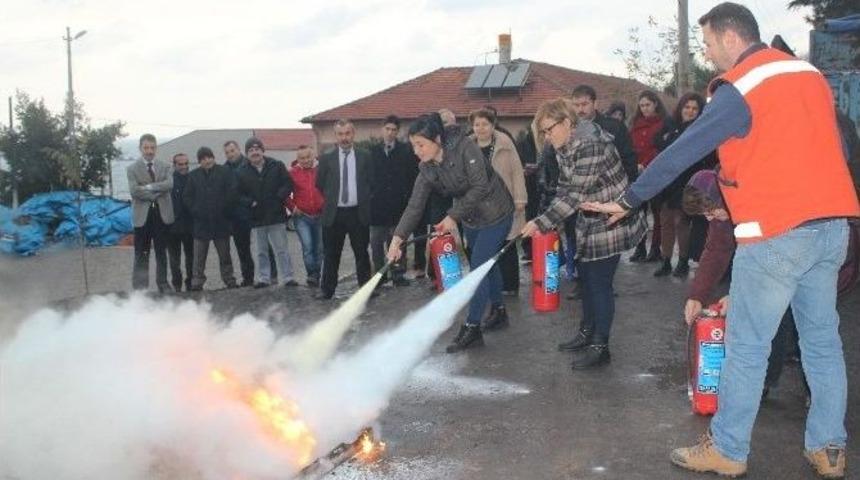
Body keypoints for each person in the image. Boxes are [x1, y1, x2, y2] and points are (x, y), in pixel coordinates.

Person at [581, 3, 860, 477]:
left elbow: (684, 149)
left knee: (748, 346)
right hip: (833, 226)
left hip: (776, 231)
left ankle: (728, 450)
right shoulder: (807, 75)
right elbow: (839, 144)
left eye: (708, 43)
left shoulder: (742, 87)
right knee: (822, 343)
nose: (708, 54)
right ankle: (829, 448)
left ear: (732, 38)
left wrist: (630, 199)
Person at [522, 99, 646, 369]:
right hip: (588, 219)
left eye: (548, 129)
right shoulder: (563, 144)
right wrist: (546, 217)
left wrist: (542, 222)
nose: (546, 136)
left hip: (611, 219)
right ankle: (586, 333)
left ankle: (601, 347)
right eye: (542, 132)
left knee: (599, 284)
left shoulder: (590, 144)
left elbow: (576, 193)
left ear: (567, 123)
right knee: (587, 280)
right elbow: (565, 190)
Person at [387, 113, 514, 353]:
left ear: (437, 139)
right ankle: (498, 310)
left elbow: (480, 187)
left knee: (478, 268)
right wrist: (397, 239)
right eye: (413, 145)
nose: (417, 151)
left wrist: (452, 217)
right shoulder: (426, 168)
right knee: (488, 264)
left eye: (421, 144)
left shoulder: (466, 147)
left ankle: (472, 327)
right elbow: (415, 206)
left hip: (496, 213)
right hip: (472, 219)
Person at [653, 92, 715, 278]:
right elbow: (658, 143)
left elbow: (694, 153)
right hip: (667, 183)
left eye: (694, 108)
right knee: (666, 223)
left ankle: (682, 261)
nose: (690, 111)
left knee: (682, 223)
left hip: (688, 183)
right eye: (687, 107)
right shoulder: (669, 124)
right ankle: (665, 261)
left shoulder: (701, 129)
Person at [469, 107, 527, 296]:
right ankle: (489, 286)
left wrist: (520, 198)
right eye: (476, 124)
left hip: (505, 200)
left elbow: (517, 171)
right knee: (484, 246)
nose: (481, 128)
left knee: (506, 243)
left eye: (485, 124)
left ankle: (510, 286)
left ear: (493, 125)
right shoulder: (467, 146)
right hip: (479, 205)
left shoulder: (505, 142)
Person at [315, 120, 373, 300]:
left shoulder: (365, 156)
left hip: (358, 212)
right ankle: (327, 290)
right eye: (340, 134)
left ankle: (365, 289)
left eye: (347, 133)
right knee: (331, 254)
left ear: (353, 134)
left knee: (362, 253)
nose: (344, 138)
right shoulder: (326, 158)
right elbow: (320, 184)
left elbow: (371, 182)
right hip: (334, 213)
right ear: (336, 136)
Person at [236, 137, 297, 288]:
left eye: (257, 149)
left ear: (263, 151)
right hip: (256, 217)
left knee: (281, 249)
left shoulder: (276, 165)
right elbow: (237, 194)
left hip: (276, 214)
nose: (254, 152)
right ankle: (264, 278)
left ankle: (288, 277)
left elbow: (287, 183)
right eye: (251, 150)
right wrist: (250, 202)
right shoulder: (240, 172)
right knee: (261, 251)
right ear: (247, 154)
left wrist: (279, 196)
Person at [369, 115, 419, 287]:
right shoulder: (372, 151)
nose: (390, 133)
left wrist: (407, 196)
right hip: (377, 207)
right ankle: (379, 274)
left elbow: (412, 176)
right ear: (382, 129)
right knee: (376, 243)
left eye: (394, 130)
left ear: (398, 132)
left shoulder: (406, 151)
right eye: (387, 129)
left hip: (398, 205)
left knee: (397, 241)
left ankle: (398, 273)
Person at [183, 147, 238, 290]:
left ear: (213, 158)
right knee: (199, 257)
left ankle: (229, 280)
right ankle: (197, 282)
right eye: (203, 159)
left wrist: (224, 209)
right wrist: (196, 211)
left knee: (225, 255)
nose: (207, 161)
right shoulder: (193, 176)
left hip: (221, 222)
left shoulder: (225, 172)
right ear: (199, 161)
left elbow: (232, 192)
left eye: (209, 157)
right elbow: (187, 197)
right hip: (201, 224)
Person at [127, 133, 174, 293]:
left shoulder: (166, 166)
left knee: (161, 251)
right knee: (141, 252)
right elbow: (134, 191)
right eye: (146, 148)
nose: (149, 151)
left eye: (152, 147)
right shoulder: (132, 168)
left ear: (156, 148)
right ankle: (140, 288)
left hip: (161, 215)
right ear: (140, 148)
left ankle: (163, 283)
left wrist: (147, 187)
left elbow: (169, 184)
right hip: (142, 217)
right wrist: (156, 191)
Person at [629, 90, 672, 263]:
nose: (645, 108)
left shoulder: (664, 123)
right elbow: (631, 147)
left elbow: (660, 148)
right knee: (638, 213)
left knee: (657, 213)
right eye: (642, 106)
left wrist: (646, 164)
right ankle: (639, 248)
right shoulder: (635, 124)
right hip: (637, 173)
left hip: (654, 172)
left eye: (647, 104)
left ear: (655, 104)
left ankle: (655, 249)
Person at [286, 145, 325, 287]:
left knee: (320, 248)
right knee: (308, 247)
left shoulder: (321, 169)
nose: (306, 160)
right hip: (302, 217)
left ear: (313, 156)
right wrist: (292, 207)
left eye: (308, 157)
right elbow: (284, 193)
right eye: (302, 158)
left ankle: (318, 274)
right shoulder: (292, 173)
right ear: (297, 159)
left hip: (321, 215)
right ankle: (311, 274)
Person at [223, 140, 256, 287]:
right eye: (227, 152)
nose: (230, 154)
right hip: (237, 217)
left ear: (238, 149)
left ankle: (269, 276)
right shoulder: (224, 169)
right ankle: (248, 278)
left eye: (232, 150)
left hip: (255, 211)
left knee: (264, 247)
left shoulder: (250, 164)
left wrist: (250, 201)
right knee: (243, 249)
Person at [166, 153, 194, 292]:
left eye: (185, 164)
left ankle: (190, 283)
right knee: (174, 259)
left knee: (191, 257)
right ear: (174, 165)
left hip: (190, 226)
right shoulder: (169, 181)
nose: (183, 167)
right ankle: (177, 284)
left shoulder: (193, 179)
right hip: (172, 227)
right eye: (180, 164)